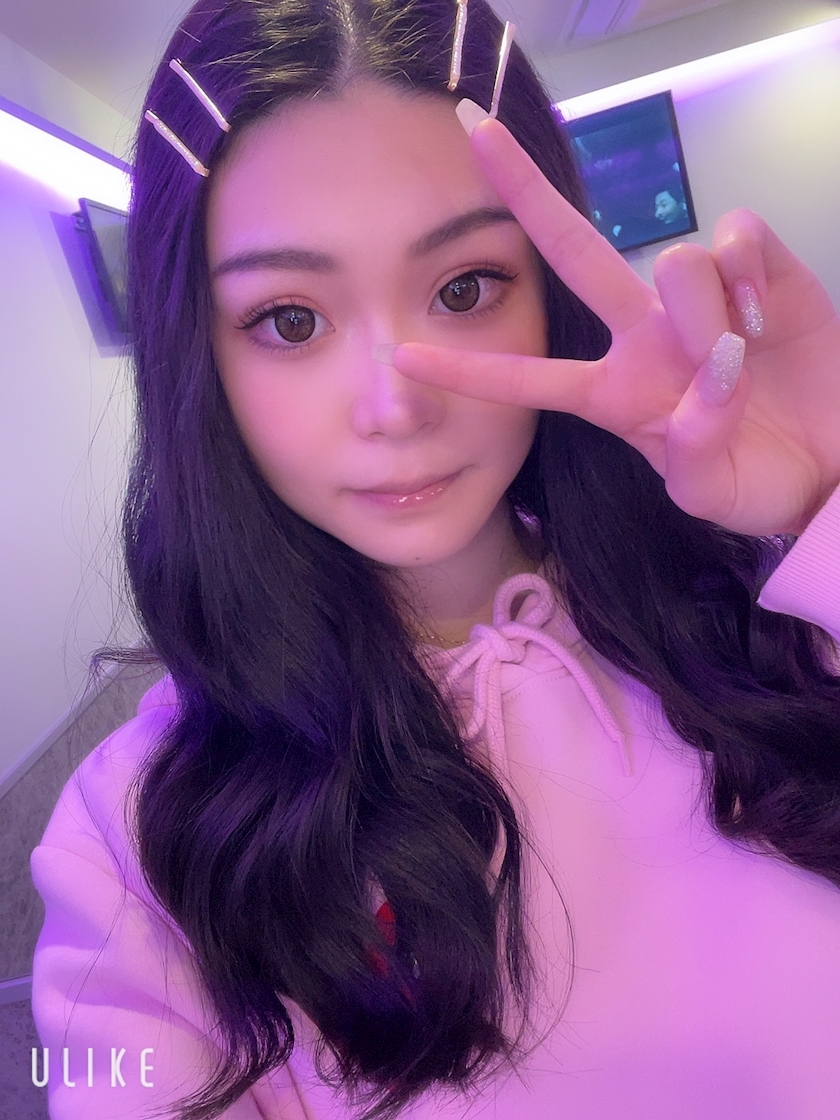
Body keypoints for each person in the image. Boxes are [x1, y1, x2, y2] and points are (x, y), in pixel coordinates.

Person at [30, 1, 840, 1118]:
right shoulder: (135, 835)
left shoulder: (784, 613)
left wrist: (823, 502)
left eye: (465, 289)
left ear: (547, 294)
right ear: (196, 356)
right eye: (289, 320)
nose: (395, 404)